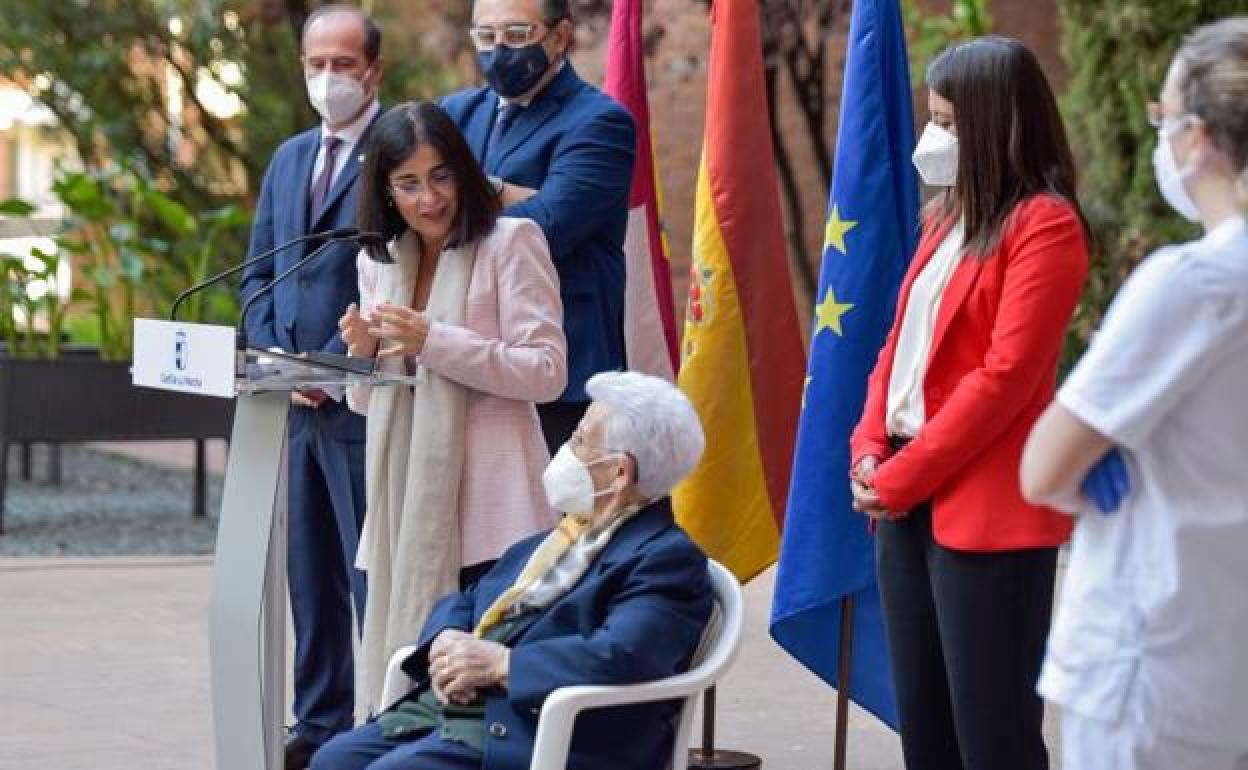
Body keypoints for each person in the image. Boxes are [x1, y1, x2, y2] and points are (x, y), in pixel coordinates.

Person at [848, 37, 1090, 770]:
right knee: (926, 731)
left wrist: (900, 476)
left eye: (949, 123)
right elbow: (896, 349)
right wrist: (867, 448)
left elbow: (1004, 377)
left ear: (994, 124)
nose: (934, 138)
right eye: (933, 119)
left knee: (993, 738)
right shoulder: (943, 219)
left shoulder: (1044, 226)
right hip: (903, 505)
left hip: (983, 514)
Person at [1021, 17, 1248, 770]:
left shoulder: (1195, 285)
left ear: (1200, 136)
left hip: (1156, 668)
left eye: (1162, 117)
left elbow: (1044, 468)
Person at [308, 371, 713, 770]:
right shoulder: (559, 536)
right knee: (332, 759)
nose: (567, 449)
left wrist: (501, 664)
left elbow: (621, 655)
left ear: (620, 472)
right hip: (461, 710)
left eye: (580, 440)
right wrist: (447, 641)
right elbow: (468, 598)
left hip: (547, 730)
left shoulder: (666, 560)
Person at [339, 101, 567, 720]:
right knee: (410, 681)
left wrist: (432, 341)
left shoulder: (511, 241)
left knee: (476, 693)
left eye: (440, 177)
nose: (428, 200)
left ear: (464, 172)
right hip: (405, 502)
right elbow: (370, 403)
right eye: (408, 184)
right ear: (385, 191)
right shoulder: (380, 260)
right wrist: (365, 357)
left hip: (493, 507)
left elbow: (547, 371)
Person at [237, 6, 384, 766]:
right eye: (315, 63)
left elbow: (397, 277)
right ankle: (320, 720)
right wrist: (271, 355)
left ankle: (385, 719)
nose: (328, 78)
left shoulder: (397, 155)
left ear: (374, 72)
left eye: (343, 64)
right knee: (310, 571)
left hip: (361, 400)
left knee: (369, 572)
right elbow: (260, 268)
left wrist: (328, 367)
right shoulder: (291, 156)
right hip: (290, 404)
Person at [442, 0, 636, 454]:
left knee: (559, 520)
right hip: (468, 358)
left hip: (563, 371)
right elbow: (414, 211)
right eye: (485, 37)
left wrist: (464, 195)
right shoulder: (452, 116)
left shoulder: (600, 122)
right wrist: (507, 192)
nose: (498, 50)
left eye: (516, 35)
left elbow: (546, 226)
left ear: (560, 37)